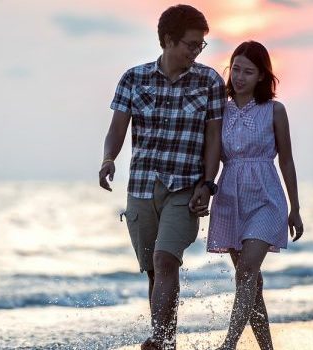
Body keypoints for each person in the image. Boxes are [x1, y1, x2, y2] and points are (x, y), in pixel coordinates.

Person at [98, 4, 226, 349]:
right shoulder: (133, 78)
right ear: (168, 41)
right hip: (141, 187)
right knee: (155, 270)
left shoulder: (210, 81)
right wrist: (109, 158)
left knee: (166, 258)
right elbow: (117, 129)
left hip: (185, 188)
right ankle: (167, 342)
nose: (197, 50)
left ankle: (161, 339)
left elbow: (214, 137)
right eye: (191, 44)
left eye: (201, 44)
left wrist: (208, 183)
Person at [206, 40, 304, 350]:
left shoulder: (275, 110)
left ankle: (229, 344)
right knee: (251, 282)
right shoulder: (218, 109)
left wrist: (295, 208)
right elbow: (207, 154)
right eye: (235, 68)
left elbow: (286, 160)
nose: (239, 76)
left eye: (248, 71)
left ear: (262, 76)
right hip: (229, 198)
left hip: (266, 198)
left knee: (247, 270)